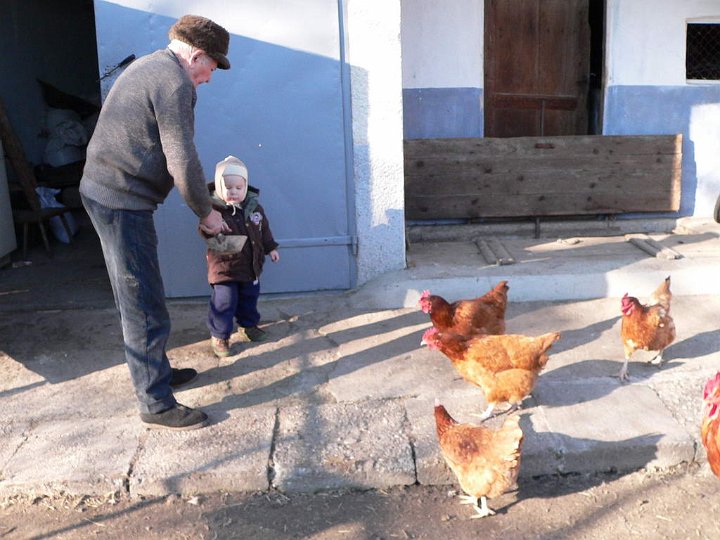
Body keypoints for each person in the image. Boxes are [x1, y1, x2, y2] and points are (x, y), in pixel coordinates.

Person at [79, 14, 232, 430]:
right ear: (196, 56)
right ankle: (155, 403)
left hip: (106, 190)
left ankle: (155, 373)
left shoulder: (151, 65)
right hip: (120, 201)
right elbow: (181, 157)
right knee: (142, 301)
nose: (209, 78)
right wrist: (206, 211)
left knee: (140, 293)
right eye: (212, 67)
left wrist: (202, 200)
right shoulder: (175, 83)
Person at [205, 156, 280, 357]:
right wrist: (209, 227)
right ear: (219, 187)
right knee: (224, 301)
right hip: (224, 268)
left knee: (249, 297)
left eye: (239, 187)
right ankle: (219, 335)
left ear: (245, 186)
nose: (233, 192)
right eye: (228, 187)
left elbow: (264, 230)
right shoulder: (213, 210)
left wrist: (271, 248)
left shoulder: (254, 208)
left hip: (250, 265)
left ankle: (248, 326)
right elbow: (204, 230)